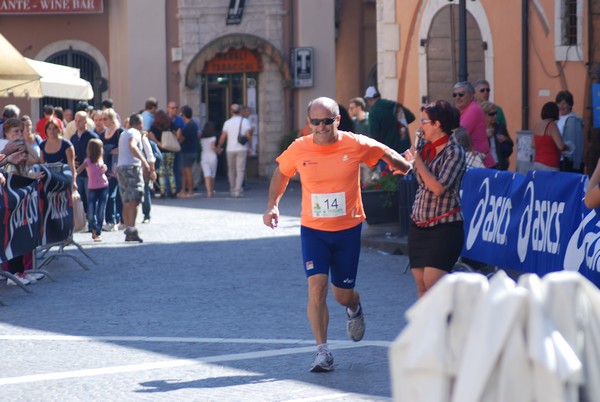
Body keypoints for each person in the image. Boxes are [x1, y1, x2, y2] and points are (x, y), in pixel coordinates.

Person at [262, 97, 413, 372]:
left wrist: (405, 167)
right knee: (316, 287)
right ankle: (322, 352)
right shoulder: (300, 148)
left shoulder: (354, 143)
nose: (321, 127)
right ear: (309, 122)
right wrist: (272, 206)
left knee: (342, 295)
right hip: (313, 231)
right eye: (315, 122)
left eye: (327, 121)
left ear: (337, 120)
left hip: (347, 230)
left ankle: (354, 307)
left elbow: (385, 153)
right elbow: (281, 174)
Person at [402, 100, 467, 298]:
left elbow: (438, 188)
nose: (420, 126)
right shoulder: (423, 145)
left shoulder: (454, 152)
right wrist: (405, 163)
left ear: (437, 124)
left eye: (424, 121)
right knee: (421, 284)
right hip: (419, 223)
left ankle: (452, 321)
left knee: (433, 282)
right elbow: (417, 176)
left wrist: (418, 163)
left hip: (445, 225)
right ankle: (427, 328)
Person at [1, 118, 45, 286]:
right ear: (6, 134)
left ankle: (21, 271)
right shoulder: (5, 148)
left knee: (20, 237)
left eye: (20, 131)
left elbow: (36, 160)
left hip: (19, 204)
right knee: (12, 238)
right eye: (15, 132)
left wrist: (25, 143)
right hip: (9, 202)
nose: (19, 134)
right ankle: (13, 273)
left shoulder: (20, 148)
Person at [116, 113, 155, 243]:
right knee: (135, 199)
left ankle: (128, 229)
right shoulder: (135, 133)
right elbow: (132, 146)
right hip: (132, 168)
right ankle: (132, 229)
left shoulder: (123, 133)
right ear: (139, 123)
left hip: (121, 168)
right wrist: (144, 161)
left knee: (126, 201)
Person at [452, 81, 495, 168]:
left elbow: (458, 136)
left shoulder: (473, 109)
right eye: (455, 95)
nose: (457, 97)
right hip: (475, 163)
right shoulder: (464, 110)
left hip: (481, 164)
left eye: (461, 94)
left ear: (471, 95)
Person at [365, 86, 414, 156]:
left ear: (369, 100)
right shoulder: (395, 106)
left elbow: (374, 136)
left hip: (388, 154)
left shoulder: (374, 113)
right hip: (405, 151)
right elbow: (411, 117)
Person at [76, 139, 109, 242]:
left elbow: (103, 169)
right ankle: (93, 228)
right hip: (92, 188)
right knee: (91, 210)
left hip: (103, 186)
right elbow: (79, 169)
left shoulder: (100, 158)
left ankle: (98, 231)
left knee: (101, 210)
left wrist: (106, 168)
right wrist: (72, 176)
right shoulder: (88, 160)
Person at [217, 104, 252, 198]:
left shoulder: (227, 122)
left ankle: (232, 189)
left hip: (230, 149)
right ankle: (237, 190)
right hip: (241, 148)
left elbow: (223, 136)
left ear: (231, 111)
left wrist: (219, 146)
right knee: (240, 170)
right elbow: (248, 135)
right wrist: (250, 147)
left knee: (231, 170)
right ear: (240, 111)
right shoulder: (245, 121)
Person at [71, 111, 100, 213]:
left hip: (90, 174)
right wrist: (72, 161)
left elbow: (97, 155)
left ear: (85, 121)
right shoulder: (73, 138)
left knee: (91, 199)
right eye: (76, 121)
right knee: (80, 200)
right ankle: (84, 221)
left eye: (80, 121)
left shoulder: (92, 137)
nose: (77, 123)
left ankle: (93, 222)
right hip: (78, 174)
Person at [100, 108, 123, 232]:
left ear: (111, 118)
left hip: (119, 167)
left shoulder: (119, 131)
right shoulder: (104, 133)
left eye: (105, 119)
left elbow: (126, 147)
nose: (103, 121)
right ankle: (111, 221)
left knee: (119, 195)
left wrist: (118, 150)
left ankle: (122, 220)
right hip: (107, 166)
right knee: (110, 195)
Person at [147, 110, 179, 198]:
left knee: (161, 172)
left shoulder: (154, 126)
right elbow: (178, 130)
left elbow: (150, 134)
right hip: (170, 150)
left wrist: (158, 142)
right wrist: (177, 138)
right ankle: (173, 190)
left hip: (160, 150)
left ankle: (163, 191)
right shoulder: (169, 123)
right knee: (170, 171)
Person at [39, 117, 77, 190]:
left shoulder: (66, 144)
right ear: (46, 130)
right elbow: (42, 164)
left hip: (64, 178)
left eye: (54, 128)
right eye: (49, 128)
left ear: (59, 129)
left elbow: (71, 166)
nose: (51, 131)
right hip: (50, 179)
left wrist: (73, 181)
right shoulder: (42, 145)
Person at [532, 102, 568, 172]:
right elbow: (560, 146)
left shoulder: (537, 125)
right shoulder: (552, 125)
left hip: (537, 162)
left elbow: (533, 145)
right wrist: (568, 147)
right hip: (550, 164)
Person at [556, 90, 585, 173]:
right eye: (559, 103)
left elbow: (575, 144)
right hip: (560, 160)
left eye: (564, 103)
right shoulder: (557, 120)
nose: (561, 106)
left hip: (569, 162)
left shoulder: (573, 120)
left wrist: (576, 164)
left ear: (570, 105)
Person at [481, 101, 513, 170]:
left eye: (496, 113)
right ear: (483, 114)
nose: (495, 116)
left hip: (500, 165)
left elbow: (510, 148)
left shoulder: (500, 127)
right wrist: (484, 136)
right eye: (491, 114)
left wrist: (506, 139)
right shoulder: (478, 130)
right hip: (485, 166)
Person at [177, 105, 199, 197]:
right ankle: (183, 190)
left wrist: (178, 134)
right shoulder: (194, 124)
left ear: (184, 115)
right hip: (193, 150)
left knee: (187, 171)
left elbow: (180, 139)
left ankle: (190, 191)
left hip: (186, 151)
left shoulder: (187, 127)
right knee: (186, 172)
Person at [167, 100, 185, 194]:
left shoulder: (179, 120)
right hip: (167, 148)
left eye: (176, 108)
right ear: (168, 108)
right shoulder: (165, 119)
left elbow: (183, 135)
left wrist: (178, 140)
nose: (175, 110)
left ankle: (177, 188)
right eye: (172, 108)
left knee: (177, 168)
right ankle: (168, 188)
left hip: (177, 147)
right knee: (167, 169)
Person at [200, 121, 219, 198]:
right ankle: (211, 190)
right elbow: (212, 147)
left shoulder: (201, 138)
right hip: (212, 156)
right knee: (212, 174)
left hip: (203, 156)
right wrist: (218, 150)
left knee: (206, 174)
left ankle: (208, 192)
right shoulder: (213, 138)